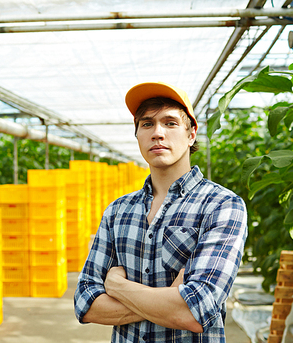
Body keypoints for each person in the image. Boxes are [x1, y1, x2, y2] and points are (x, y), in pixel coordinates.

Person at [74, 81, 248, 342]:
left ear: (191, 134)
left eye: (170, 123)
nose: (157, 133)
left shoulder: (221, 205)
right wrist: (169, 299)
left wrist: (117, 287)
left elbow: (194, 311)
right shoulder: (117, 211)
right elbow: (85, 302)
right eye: (147, 124)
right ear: (138, 136)